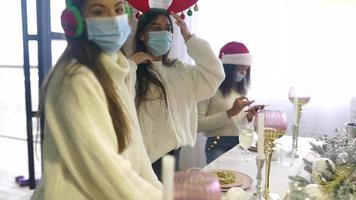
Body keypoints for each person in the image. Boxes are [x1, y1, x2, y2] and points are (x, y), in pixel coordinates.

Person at [31, 0, 162, 199]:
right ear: (75, 21)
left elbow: (138, 152)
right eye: (99, 11)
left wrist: (162, 192)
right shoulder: (75, 79)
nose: (113, 18)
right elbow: (105, 167)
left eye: (118, 9)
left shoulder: (117, 73)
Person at [130, 8, 225, 179]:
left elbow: (215, 74)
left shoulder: (180, 70)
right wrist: (130, 66)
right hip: (144, 163)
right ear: (143, 35)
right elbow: (115, 98)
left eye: (168, 29)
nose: (164, 33)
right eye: (157, 28)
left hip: (174, 157)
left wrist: (190, 38)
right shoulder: (132, 72)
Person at [198, 41, 263, 164]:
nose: (244, 73)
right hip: (218, 146)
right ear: (227, 67)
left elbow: (235, 123)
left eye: (246, 69)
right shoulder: (208, 87)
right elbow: (198, 125)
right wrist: (230, 112)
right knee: (222, 182)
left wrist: (248, 117)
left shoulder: (239, 89)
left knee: (240, 182)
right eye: (240, 68)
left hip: (240, 144)